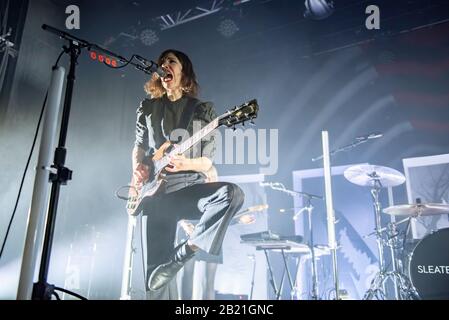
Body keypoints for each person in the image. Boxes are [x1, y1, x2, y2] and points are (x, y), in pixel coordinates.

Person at [131, 49, 245, 299]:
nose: (164, 65)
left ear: (185, 73)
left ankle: (191, 247)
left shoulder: (201, 110)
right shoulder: (148, 108)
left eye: (172, 61)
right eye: (162, 62)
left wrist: (186, 164)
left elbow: (207, 163)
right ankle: (166, 268)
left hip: (188, 191)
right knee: (154, 282)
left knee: (231, 194)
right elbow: (139, 147)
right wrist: (136, 175)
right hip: (155, 195)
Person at [175, 166, 255, 300]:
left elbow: (222, 218)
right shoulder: (192, 189)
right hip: (190, 233)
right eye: (207, 176)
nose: (211, 179)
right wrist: (184, 224)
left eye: (213, 177)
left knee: (209, 281)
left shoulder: (219, 193)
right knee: (188, 275)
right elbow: (177, 208)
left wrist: (240, 219)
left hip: (211, 234)